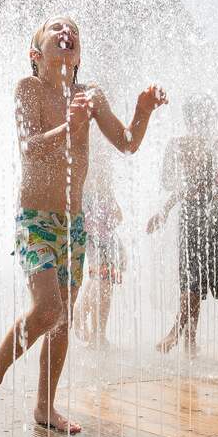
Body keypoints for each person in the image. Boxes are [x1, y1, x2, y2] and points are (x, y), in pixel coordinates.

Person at [0, 16, 167, 434]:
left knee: (61, 321)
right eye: (55, 28)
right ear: (36, 54)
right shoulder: (29, 89)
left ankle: (45, 406)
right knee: (48, 308)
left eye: (72, 29)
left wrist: (141, 112)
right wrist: (67, 127)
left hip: (74, 225)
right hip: (35, 219)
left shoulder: (90, 96)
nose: (66, 31)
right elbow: (30, 149)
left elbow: (127, 142)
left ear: (77, 56)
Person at [147, 93, 218, 355]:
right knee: (196, 279)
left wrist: (166, 209)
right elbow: (177, 184)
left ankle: (180, 334)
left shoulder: (180, 144)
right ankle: (189, 339)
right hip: (213, 215)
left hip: (196, 215)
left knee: (194, 279)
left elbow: (170, 182)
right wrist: (165, 210)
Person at [74, 143, 126, 348]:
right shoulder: (84, 187)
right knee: (102, 283)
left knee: (103, 284)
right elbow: (81, 219)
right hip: (95, 242)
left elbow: (118, 216)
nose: (106, 168)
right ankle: (94, 330)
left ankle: (94, 328)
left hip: (107, 243)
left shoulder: (104, 189)